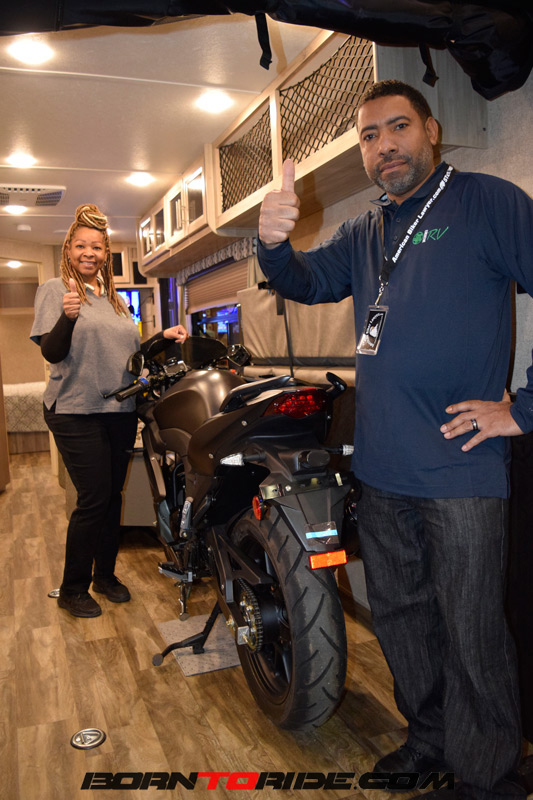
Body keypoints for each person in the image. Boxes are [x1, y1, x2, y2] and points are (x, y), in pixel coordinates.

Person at [257, 80, 533, 800]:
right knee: (403, 619)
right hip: (380, 470)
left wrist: (525, 408)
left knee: (472, 631)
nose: (384, 145)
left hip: (461, 468)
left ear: (431, 130)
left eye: (398, 126)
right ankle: (429, 740)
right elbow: (304, 281)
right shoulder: (365, 230)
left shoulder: (488, 202)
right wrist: (272, 242)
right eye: (369, 135)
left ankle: (487, 777)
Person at [31, 204, 188, 619]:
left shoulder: (115, 300)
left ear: (106, 254)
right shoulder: (55, 289)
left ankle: (104, 576)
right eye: (81, 245)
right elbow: (51, 351)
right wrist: (68, 316)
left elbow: (128, 356)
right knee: (94, 497)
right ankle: (72, 589)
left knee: (112, 496)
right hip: (74, 409)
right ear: (69, 248)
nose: (89, 253)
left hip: (118, 409)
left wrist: (162, 338)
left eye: (97, 247)